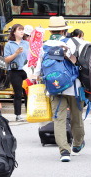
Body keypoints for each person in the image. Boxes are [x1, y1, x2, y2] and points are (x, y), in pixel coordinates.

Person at [32, 16, 85, 162]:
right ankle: (77, 145)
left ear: (51, 31)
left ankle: (64, 152)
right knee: (76, 117)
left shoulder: (44, 46)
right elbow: (81, 61)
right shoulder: (72, 42)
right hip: (74, 87)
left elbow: (37, 70)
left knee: (59, 119)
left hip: (54, 89)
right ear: (64, 30)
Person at [4, 24, 31, 122]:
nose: (21, 32)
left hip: (26, 70)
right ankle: (18, 115)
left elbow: (31, 56)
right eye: (19, 30)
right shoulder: (9, 44)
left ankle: (30, 113)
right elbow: (6, 59)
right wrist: (16, 53)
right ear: (14, 32)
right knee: (18, 94)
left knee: (28, 92)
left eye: (22, 30)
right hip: (15, 71)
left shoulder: (26, 43)